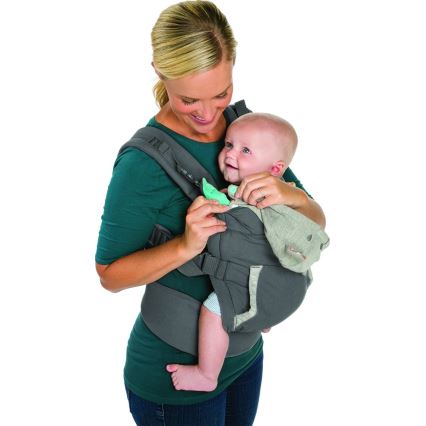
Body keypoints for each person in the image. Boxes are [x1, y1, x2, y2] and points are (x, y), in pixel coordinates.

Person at [95, 1, 326, 425]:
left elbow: (315, 225)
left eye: (221, 94)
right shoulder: (142, 164)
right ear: (159, 72)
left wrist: (291, 195)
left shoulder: (247, 132)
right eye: (189, 100)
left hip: (246, 356)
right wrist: (185, 245)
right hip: (173, 381)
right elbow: (109, 275)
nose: (207, 115)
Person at [166, 112, 303, 392]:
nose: (230, 153)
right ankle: (261, 316)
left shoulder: (254, 198)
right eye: (229, 144)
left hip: (266, 291)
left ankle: (206, 374)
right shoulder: (287, 193)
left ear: (275, 169)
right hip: (289, 288)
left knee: (213, 310)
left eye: (245, 150)